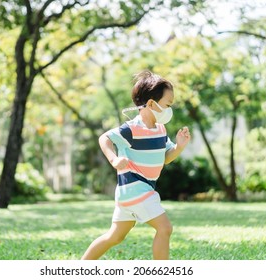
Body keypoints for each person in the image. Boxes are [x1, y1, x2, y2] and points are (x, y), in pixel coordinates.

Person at [81, 70, 191, 260]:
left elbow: (165, 157)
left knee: (114, 237)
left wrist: (179, 147)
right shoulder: (132, 128)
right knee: (165, 228)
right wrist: (114, 160)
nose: (169, 110)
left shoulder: (160, 129)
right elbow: (104, 138)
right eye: (167, 104)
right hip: (135, 189)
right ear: (150, 103)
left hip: (133, 192)